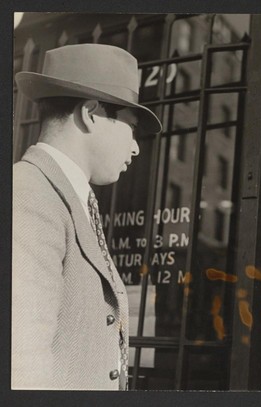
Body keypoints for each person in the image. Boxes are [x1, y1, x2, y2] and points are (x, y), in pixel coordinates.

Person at [12, 44, 162, 390]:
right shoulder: (29, 193)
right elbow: (21, 363)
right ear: (91, 113)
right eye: (131, 127)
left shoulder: (62, 195)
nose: (136, 147)